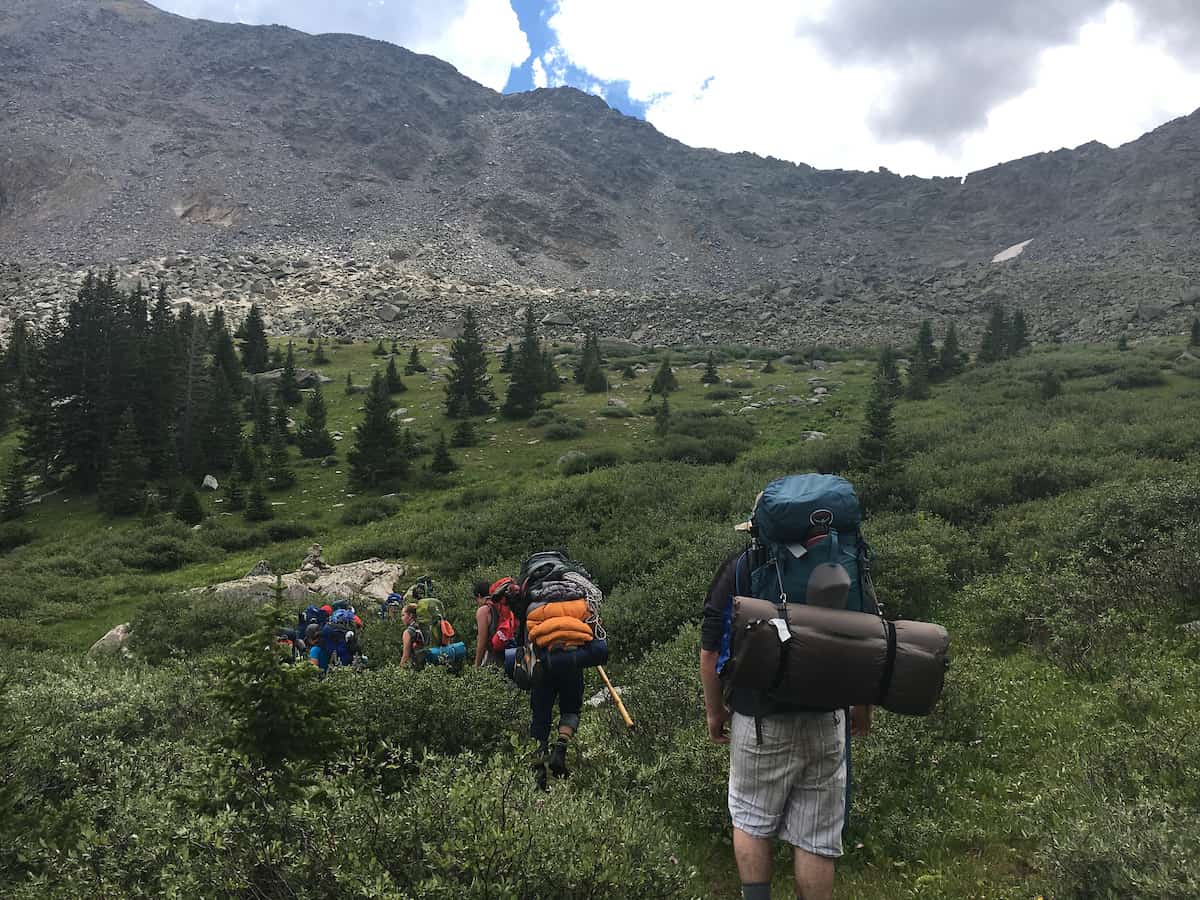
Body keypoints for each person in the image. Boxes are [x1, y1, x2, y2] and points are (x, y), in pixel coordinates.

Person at [699, 488, 875, 900]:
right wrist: (861, 706)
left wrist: (715, 712)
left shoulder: (742, 567)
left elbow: (710, 652)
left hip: (760, 719)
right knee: (816, 837)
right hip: (829, 716)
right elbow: (866, 640)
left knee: (750, 818)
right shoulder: (845, 562)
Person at [474, 577, 517, 668]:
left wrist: (476, 665)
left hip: (496, 656)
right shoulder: (503, 604)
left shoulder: (483, 610)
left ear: (478, 596)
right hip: (513, 651)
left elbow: (482, 641)